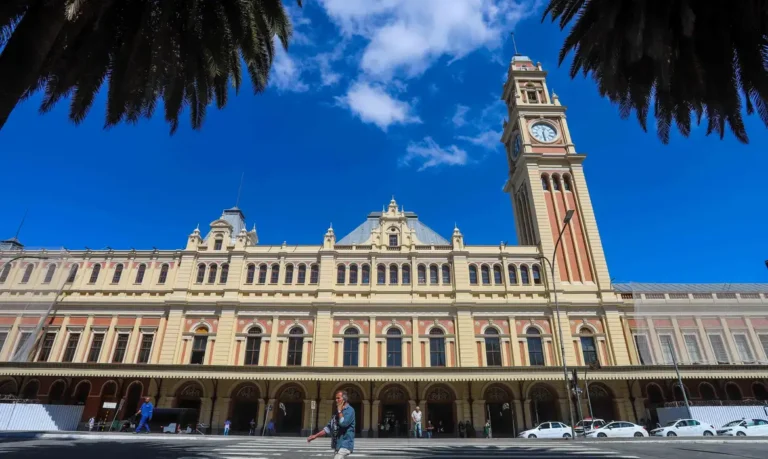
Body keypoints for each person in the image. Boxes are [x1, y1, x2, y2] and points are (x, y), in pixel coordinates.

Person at [307, 390, 355, 458]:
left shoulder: (350, 410)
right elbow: (329, 427)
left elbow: (343, 424)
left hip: (345, 444)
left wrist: (340, 411)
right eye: (336, 398)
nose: (336, 400)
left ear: (344, 400)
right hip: (337, 444)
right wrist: (315, 436)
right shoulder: (336, 412)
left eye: (338, 398)